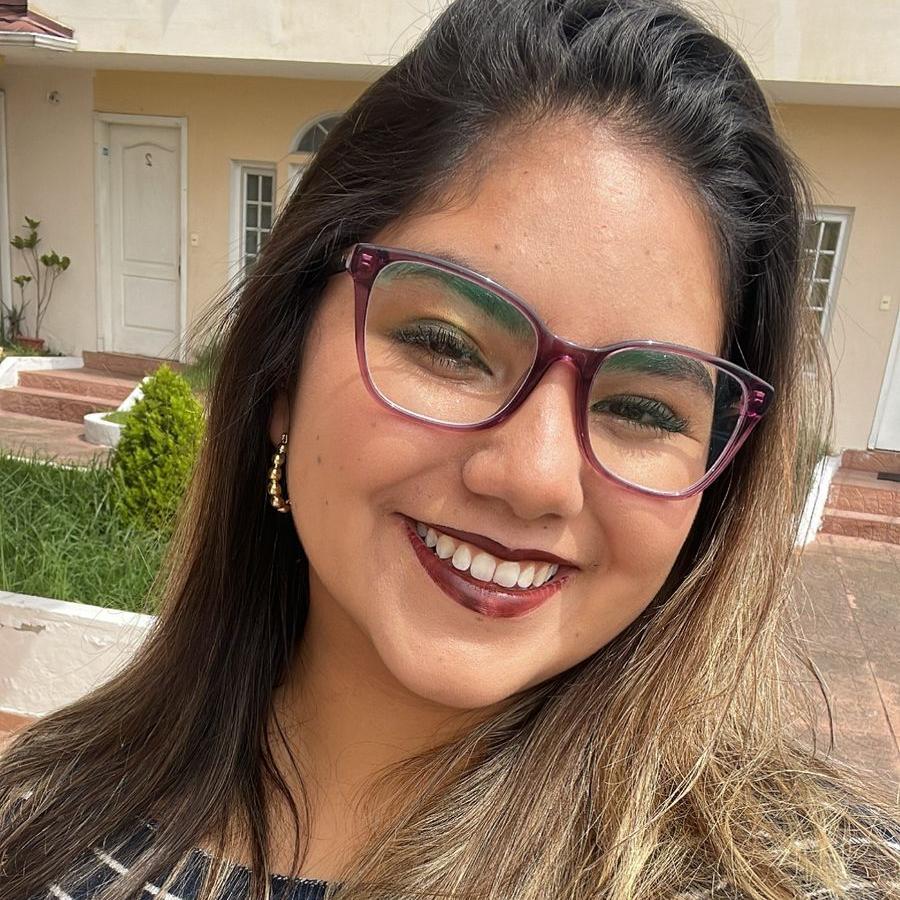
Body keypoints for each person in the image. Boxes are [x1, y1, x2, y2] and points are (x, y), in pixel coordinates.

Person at [2, 0, 899, 898]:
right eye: (447, 346)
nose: (535, 477)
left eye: (644, 409)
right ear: (283, 373)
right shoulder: (38, 821)